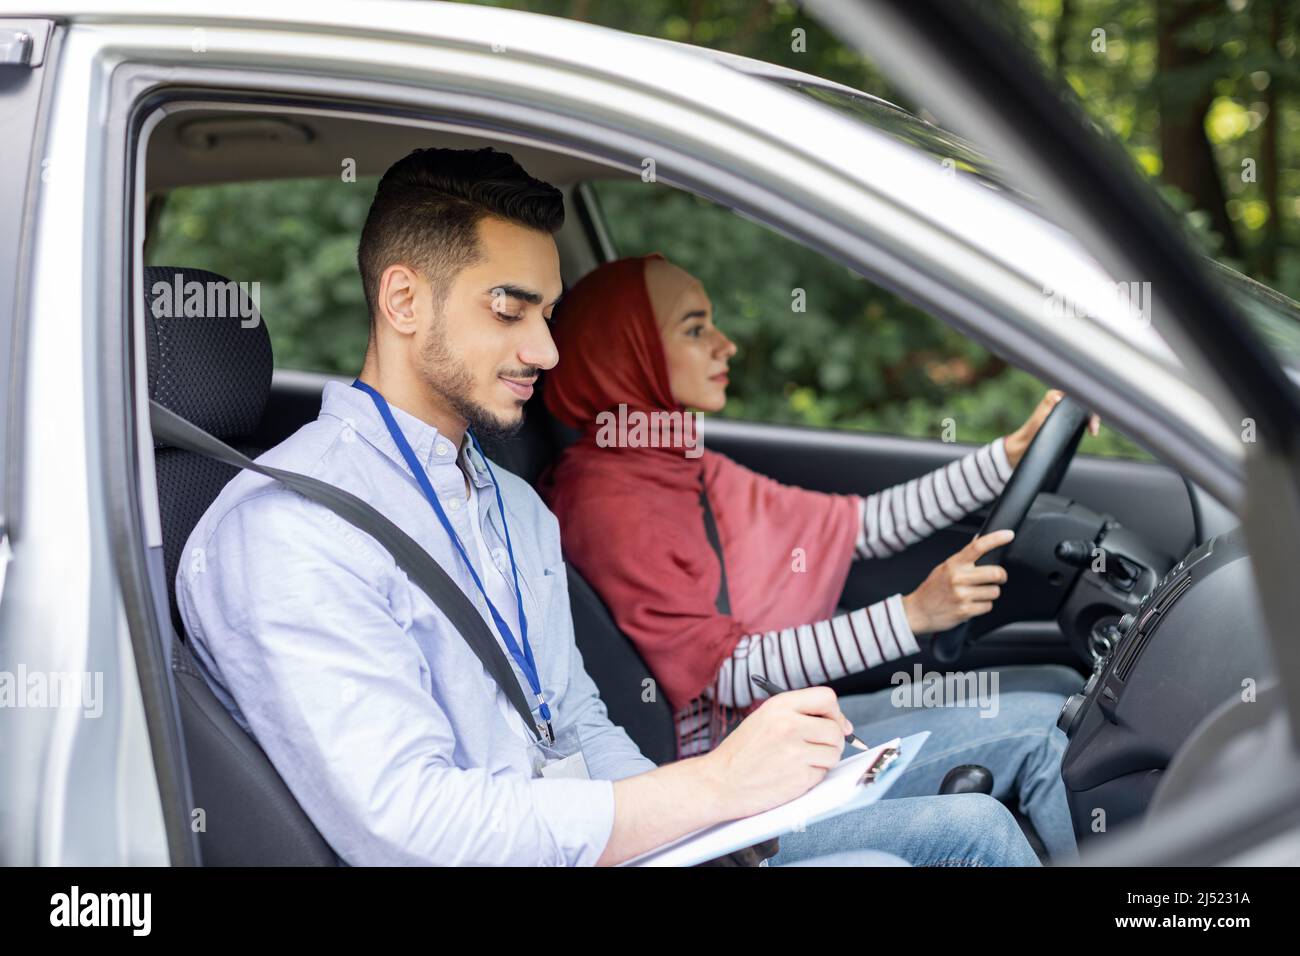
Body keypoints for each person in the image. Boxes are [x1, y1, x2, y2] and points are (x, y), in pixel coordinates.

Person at [177, 146, 1039, 867]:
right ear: (404, 300)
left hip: (609, 845)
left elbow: (580, 720)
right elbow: (409, 826)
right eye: (511, 310)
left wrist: (700, 829)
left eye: (549, 314)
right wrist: (707, 788)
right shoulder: (291, 529)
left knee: (970, 831)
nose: (546, 349)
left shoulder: (513, 505)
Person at [540, 253, 1092, 863]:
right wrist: (911, 616)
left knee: (1058, 699)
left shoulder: (682, 466)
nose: (726, 346)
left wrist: (1009, 456)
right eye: (695, 329)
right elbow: (727, 670)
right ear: (627, 352)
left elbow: (858, 526)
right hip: (720, 796)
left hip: (765, 732)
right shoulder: (609, 501)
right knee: (1021, 768)